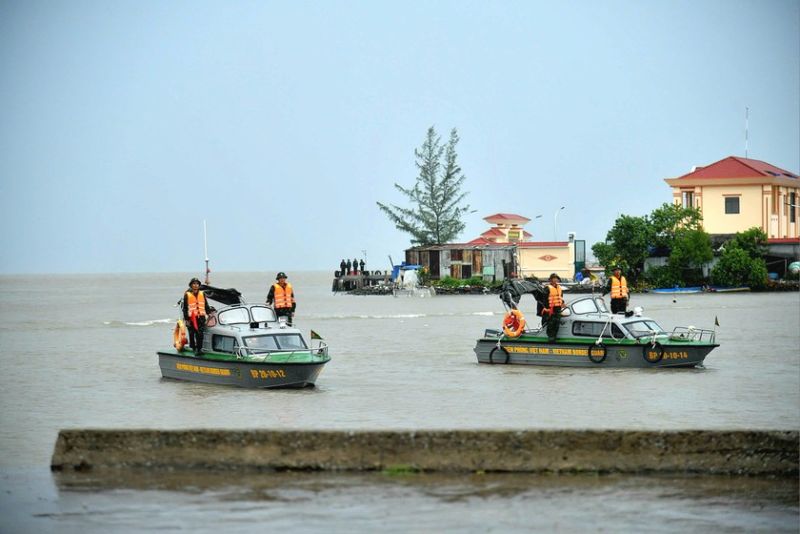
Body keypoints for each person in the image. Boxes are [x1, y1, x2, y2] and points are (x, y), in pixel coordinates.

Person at [182, 277, 211, 355]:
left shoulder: (202, 293)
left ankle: (199, 349)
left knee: (200, 333)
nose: (195, 285)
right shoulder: (187, 295)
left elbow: (206, 304)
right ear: (191, 285)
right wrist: (187, 319)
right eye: (194, 284)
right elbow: (185, 308)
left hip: (201, 317)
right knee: (192, 333)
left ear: (199, 285)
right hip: (192, 318)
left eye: (197, 284)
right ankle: (193, 347)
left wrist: (209, 312)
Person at [542, 273, 564, 343]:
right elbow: (544, 299)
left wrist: (563, 303)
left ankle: (554, 336)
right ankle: (550, 337)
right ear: (551, 280)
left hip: (558, 308)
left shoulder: (559, 288)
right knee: (551, 323)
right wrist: (546, 308)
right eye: (554, 278)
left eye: (556, 278)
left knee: (557, 323)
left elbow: (560, 297)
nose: (555, 280)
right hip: (551, 308)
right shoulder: (547, 288)